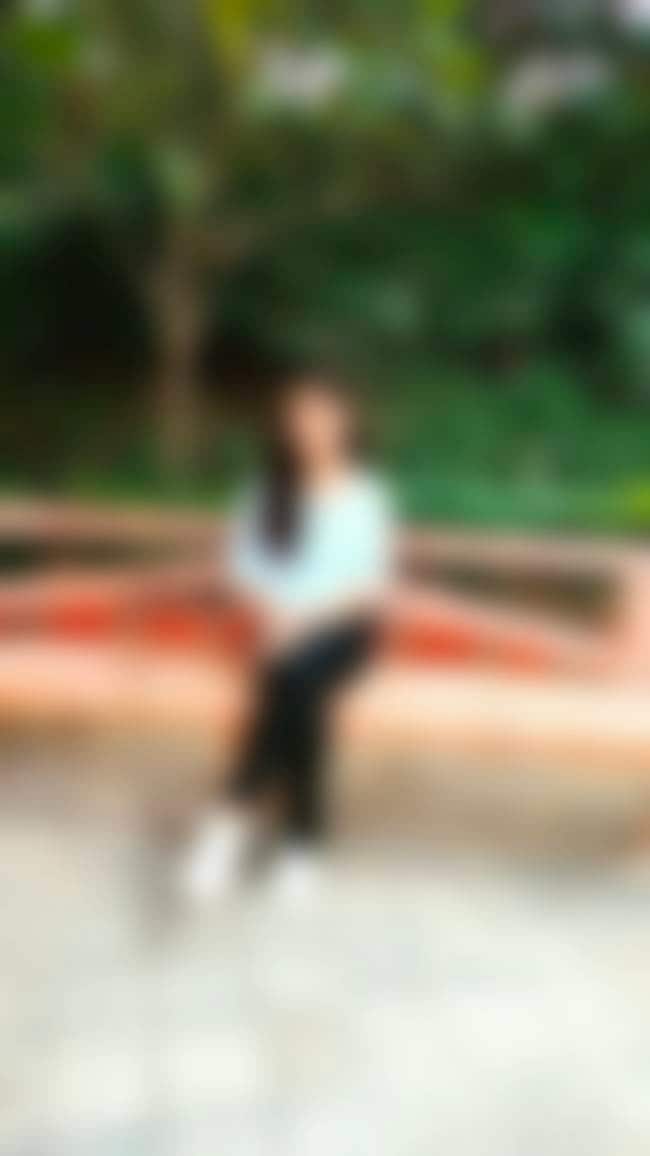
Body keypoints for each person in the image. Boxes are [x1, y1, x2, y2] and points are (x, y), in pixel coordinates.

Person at [181, 370, 393, 903]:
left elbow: (370, 587)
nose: (311, 429)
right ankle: (303, 842)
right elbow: (240, 569)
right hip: (274, 630)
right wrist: (274, 614)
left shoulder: (366, 496)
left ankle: (227, 822)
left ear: (345, 424)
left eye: (323, 417)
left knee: (290, 679)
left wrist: (301, 620)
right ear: (284, 427)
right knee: (299, 694)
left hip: (345, 631)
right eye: (300, 418)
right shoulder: (265, 492)